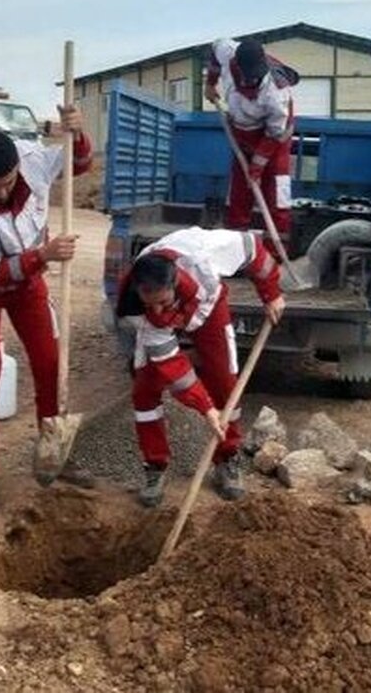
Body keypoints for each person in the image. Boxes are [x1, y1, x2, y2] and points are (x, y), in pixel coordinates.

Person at [0, 107, 93, 513]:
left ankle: (52, 451)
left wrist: (77, 134)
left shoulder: (32, 160)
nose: (1, 192)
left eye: (7, 183)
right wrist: (44, 253)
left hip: (28, 283)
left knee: (51, 362)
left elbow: (79, 164)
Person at [114, 227, 285, 507]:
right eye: (150, 304)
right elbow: (175, 371)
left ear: (174, 284)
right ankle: (155, 466)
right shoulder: (135, 307)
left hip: (208, 308)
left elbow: (253, 249)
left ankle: (227, 458)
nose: (157, 309)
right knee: (145, 389)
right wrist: (206, 409)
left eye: (163, 302)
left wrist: (272, 293)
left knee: (225, 382)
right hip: (160, 332)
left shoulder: (204, 255)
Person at [204, 38, 298, 253]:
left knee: (277, 197)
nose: (253, 81)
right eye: (249, 76)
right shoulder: (228, 52)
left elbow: (276, 133)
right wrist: (210, 83)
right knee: (239, 193)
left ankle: (275, 254)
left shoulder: (277, 92)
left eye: (257, 76)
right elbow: (213, 50)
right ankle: (236, 252)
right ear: (237, 65)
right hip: (243, 135)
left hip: (274, 141)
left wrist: (256, 167)